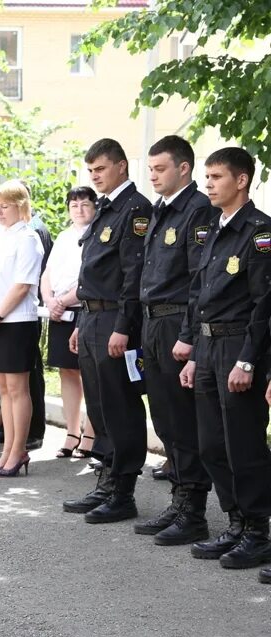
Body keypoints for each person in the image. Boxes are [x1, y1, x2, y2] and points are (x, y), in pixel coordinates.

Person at [181, 147, 271, 577]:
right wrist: (194, 352)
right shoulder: (213, 230)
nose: (209, 183)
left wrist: (249, 362)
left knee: (245, 446)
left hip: (238, 349)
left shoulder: (259, 233)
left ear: (242, 180)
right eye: (207, 176)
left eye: (217, 176)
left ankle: (257, 530)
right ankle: (235, 521)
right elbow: (200, 295)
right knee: (212, 444)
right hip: (208, 347)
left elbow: (263, 305)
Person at [64, 138, 152, 523]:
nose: (94, 176)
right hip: (92, 316)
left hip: (116, 319)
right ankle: (106, 479)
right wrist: (82, 320)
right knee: (99, 404)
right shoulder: (105, 209)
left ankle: (124, 489)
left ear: (121, 166)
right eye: (91, 171)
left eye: (100, 169)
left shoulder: (134, 210)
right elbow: (93, 270)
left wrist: (122, 327)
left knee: (120, 405)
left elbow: (132, 275)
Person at [133, 136, 214, 544]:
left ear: (184, 168)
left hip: (175, 325)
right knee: (164, 419)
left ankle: (193, 510)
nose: (153, 176)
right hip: (153, 324)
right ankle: (179, 498)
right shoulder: (161, 211)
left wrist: (187, 336)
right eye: (150, 169)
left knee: (183, 421)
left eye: (160, 168)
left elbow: (199, 280)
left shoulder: (196, 210)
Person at [0, 181, 44, 477]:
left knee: (18, 389)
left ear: (21, 206)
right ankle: (8, 449)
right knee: (4, 389)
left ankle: (18, 450)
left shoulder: (27, 238)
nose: (0, 212)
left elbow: (22, 285)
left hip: (16, 322)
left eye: (6, 206)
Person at [40, 187, 97, 460]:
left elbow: (91, 278)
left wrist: (62, 300)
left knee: (89, 374)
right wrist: (50, 300)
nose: (79, 209)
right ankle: (71, 431)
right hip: (58, 313)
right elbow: (48, 273)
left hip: (84, 310)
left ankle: (91, 433)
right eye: (74, 205)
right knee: (66, 372)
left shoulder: (97, 234)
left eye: (85, 204)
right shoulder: (63, 236)